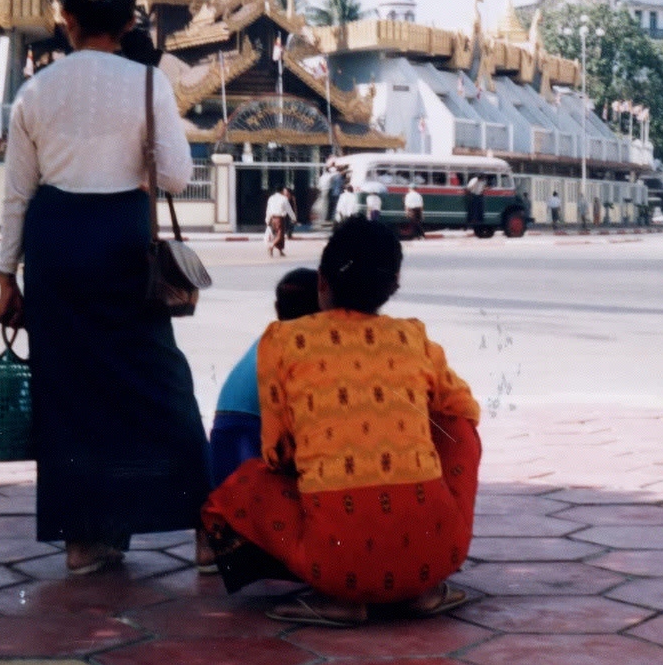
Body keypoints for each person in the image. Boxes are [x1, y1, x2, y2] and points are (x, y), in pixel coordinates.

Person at [0, 0, 209, 577]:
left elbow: (17, 193)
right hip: (122, 239)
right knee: (158, 384)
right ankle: (205, 530)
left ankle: (88, 542)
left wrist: (6, 275)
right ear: (129, 23)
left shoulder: (35, 92)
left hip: (56, 242)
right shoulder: (148, 84)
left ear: (67, 22)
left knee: (70, 394)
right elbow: (175, 177)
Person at [202, 217, 480, 627]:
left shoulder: (282, 340)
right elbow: (464, 412)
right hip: (435, 556)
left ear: (322, 283)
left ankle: (340, 598)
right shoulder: (414, 337)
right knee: (457, 430)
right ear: (393, 287)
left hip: (334, 561)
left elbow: (278, 452)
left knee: (243, 488)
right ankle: (417, 591)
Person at [208, 268, 322, 491]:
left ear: (278, 309)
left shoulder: (269, 339)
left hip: (226, 436)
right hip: (254, 436)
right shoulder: (305, 346)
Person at [266, 186, 295, 257]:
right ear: (282, 191)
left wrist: (267, 219)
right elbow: (289, 209)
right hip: (280, 219)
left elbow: (268, 209)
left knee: (277, 235)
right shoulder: (284, 199)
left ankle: (280, 251)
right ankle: (271, 246)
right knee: (280, 235)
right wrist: (293, 218)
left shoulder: (271, 198)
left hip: (272, 218)